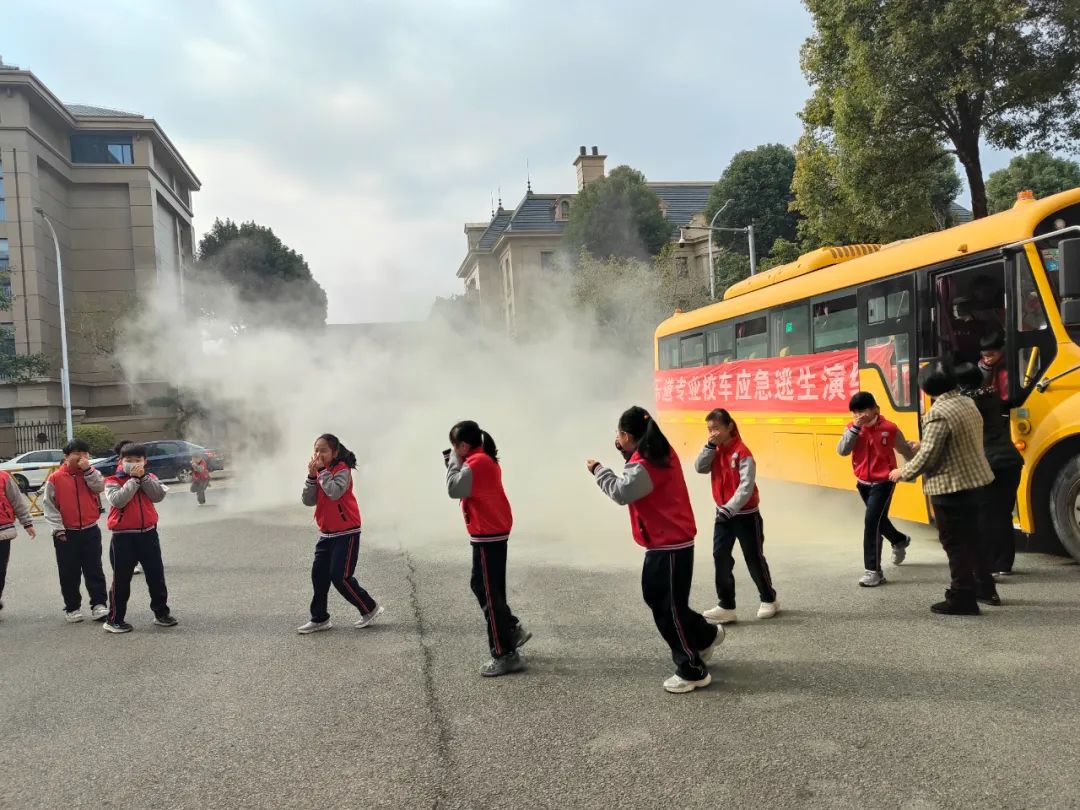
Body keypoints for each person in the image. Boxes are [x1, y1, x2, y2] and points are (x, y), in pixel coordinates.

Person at [588, 406, 721, 694]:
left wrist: (599, 471)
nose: (617, 439)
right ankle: (705, 635)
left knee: (665, 608)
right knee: (665, 602)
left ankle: (692, 669)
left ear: (627, 435)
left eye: (619, 435)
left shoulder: (645, 464)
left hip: (668, 545)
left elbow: (623, 491)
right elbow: (637, 474)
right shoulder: (657, 451)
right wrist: (626, 452)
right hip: (672, 542)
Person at [889, 362, 995, 614]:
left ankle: (962, 597)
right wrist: (923, 445)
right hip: (975, 482)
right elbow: (951, 441)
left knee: (955, 543)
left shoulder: (937, 412)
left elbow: (929, 457)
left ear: (924, 389)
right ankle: (985, 587)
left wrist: (902, 472)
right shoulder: (966, 402)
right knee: (973, 539)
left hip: (950, 488)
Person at [445, 420, 530, 678]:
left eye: (455, 447)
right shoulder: (482, 459)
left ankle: (504, 653)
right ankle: (511, 629)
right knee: (483, 586)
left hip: (488, 534)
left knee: (489, 594)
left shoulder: (477, 462)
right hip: (491, 531)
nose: (454, 452)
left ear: (463, 445)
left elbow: (453, 488)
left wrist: (452, 462)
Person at [694, 408, 778, 623]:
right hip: (722, 515)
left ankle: (769, 599)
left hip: (746, 515)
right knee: (720, 557)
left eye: (716, 429)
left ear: (729, 426)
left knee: (753, 557)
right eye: (709, 429)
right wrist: (709, 446)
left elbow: (746, 486)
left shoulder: (743, 452)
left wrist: (730, 508)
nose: (713, 433)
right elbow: (699, 468)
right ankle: (726, 605)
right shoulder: (715, 449)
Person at [298, 434, 383, 635]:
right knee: (319, 576)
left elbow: (334, 492)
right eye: (316, 450)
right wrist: (311, 477)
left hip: (347, 532)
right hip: (326, 534)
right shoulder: (320, 472)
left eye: (323, 450)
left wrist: (320, 472)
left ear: (335, 452)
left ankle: (369, 608)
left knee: (341, 577)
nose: (318, 454)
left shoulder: (342, 470)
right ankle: (319, 618)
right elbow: (308, 501)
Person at [836, 392, 919, 587]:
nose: (859, 415)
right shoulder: (853, 429)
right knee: (879, 519)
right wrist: (856, 428)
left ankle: (873, 571)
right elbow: (842, 450)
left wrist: (910, 472)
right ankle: (899, 540)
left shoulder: (889, 428)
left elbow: (904, 449)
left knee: (871, 522)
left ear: (875, 408)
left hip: (884, 482)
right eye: (855, 412)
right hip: (863, 482)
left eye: (863, 411)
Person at [956, 362, 1024, 582]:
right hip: (1011, 461)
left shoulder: (969, 403)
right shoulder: (991, 396)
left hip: (990, 463)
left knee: (985, 514)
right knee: (1003, 512)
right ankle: (1004, 563)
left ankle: (990, 564)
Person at [102, 442, 178, 633]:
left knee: (156, 576)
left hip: (149, 534)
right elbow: (118, 500)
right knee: (121, 580)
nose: (134, 464)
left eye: (138, 460)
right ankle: (114, 619)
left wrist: (143, 478)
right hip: (123, 537)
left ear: (145, 462)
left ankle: (161, 613)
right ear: (120, 461)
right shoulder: (112, 480)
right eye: (129, 460)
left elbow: (158, 495)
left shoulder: (150, 477)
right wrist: (133, 481)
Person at [40, 439, 109, 622]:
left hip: (90, 529)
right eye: (77, 453)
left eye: (85, 454)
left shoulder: (91, 473)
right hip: (66, 533)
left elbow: (100, 487)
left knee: (94, 569)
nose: (82, 457)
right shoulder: (55, 478)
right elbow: (49, 506)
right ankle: (72, 607)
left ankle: (99, 604)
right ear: (66, 456)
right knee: (69, 572)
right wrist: (58, 529)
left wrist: (88, 470)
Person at [0, 467, 35, 618]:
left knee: (0, 571)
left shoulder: (3, 477)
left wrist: (27, 522)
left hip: (2, 532)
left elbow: (16, 500)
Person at [978, 331, 1009, 403]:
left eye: (991, 354)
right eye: (984, 355)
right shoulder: (982, 364)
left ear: (1001, 351)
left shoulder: (1006, 368)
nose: (987, 359)